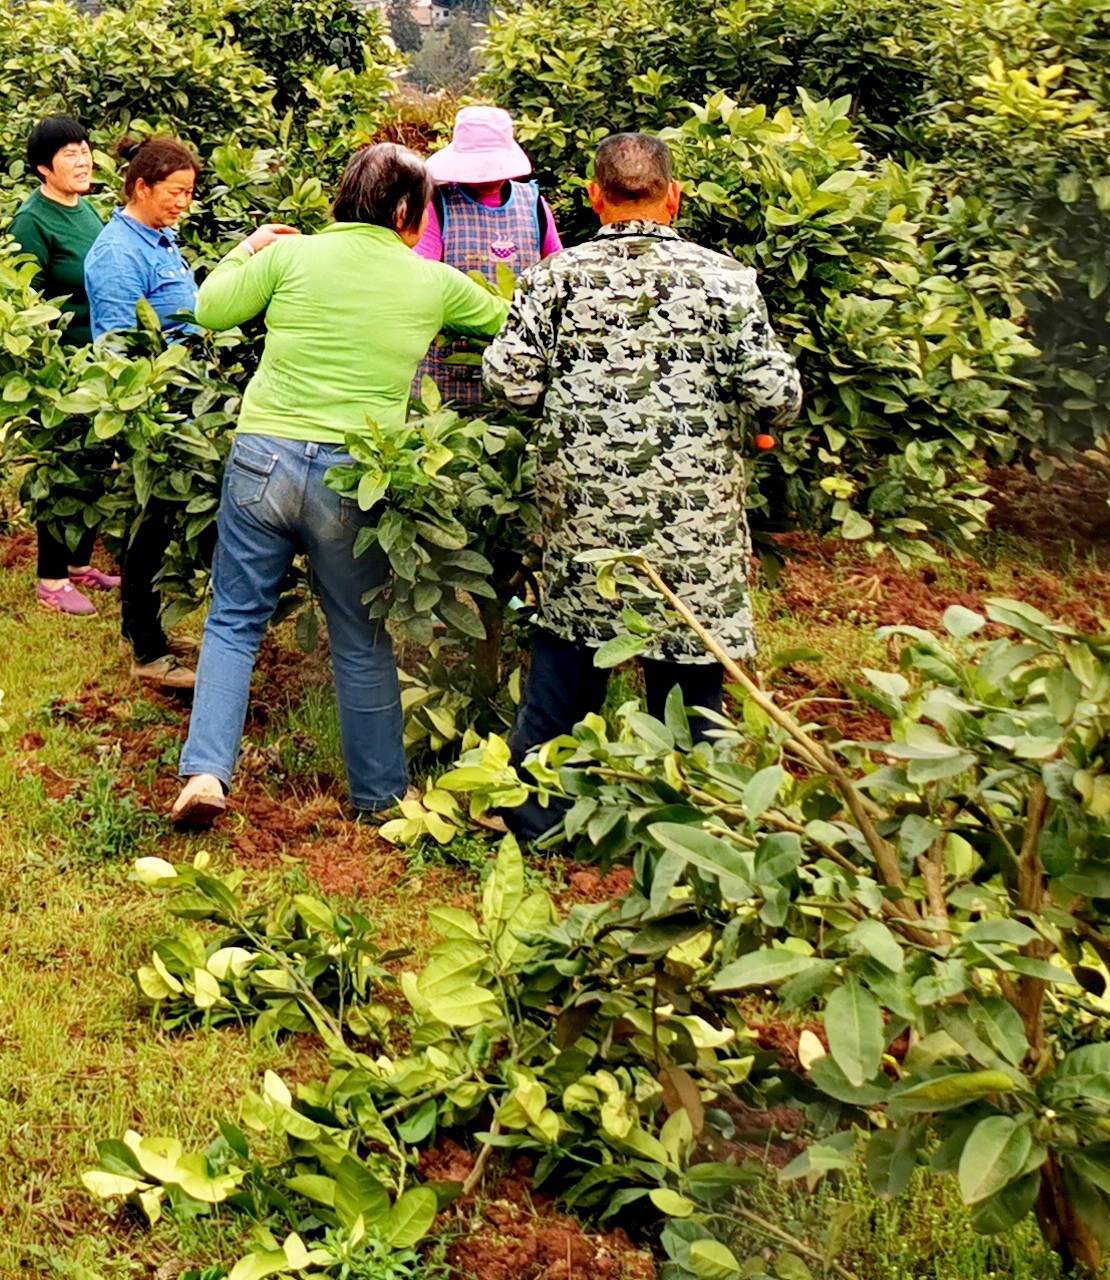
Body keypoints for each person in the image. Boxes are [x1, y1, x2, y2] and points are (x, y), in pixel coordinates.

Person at [163, 141, 517, 828]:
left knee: (234, 622)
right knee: (360, 637)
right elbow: (513, 325)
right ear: (408, 211)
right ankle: (382, 796)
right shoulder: (431, 281)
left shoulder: (292, 255)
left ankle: (206, 773)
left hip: (263, 457)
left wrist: (250, 246)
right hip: (353, 475)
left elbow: (207, 310)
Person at [481, 130, 800, 844]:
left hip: (584, 525)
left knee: (567, 663)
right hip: (694, 532)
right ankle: (698, 830)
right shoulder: (727, 280)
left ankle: (541, 821)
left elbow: (506, 381)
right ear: (674, 197)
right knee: (691, 676)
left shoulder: (553, 279)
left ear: (594, 198)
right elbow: (775, 395)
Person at [79, 134, 214, 690]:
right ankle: (147, 649)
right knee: (148, 529)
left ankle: (154, 633)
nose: (183, 203)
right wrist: (154, 413)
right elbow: (117, 347)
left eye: (189, 193)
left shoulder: (159, 237)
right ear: (141, 187)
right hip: (152, 411)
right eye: (175, 192)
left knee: (161, 526)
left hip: (182, 399)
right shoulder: (117, 255)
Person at [9, 115, 118, 617]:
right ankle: (51, 579)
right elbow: (20, 301)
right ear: (42, 168)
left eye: (84, 149)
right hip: (61, 367)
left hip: (97, 360)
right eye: (68, 154)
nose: (82, 160)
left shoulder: (88, 210)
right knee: (63, 470)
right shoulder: (32, 222)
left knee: (94, 464)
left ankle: (77, 566)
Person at [413, 105, 564, 412]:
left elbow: (556, 274)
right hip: (445, 373)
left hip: (517, 371)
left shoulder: (533, 204)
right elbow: (419, 279)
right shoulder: (437, 205)